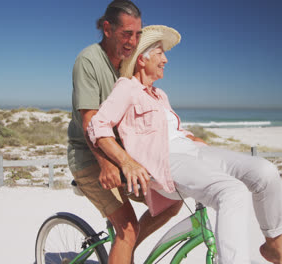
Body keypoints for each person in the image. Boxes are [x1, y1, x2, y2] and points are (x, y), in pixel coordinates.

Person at [87, 25, 282, 264]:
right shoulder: (127, 87)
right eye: (160, 52)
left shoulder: (160, 94)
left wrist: (192, 138)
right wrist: (126, 162)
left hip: (191, 150)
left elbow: (172, 130)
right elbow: (97, 126)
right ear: (142, 58)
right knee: (231, 192)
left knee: (265, 171)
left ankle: (273, 246)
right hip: (164, 160)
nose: (166, 59)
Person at [66, 1, 183, 263]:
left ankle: (126, 250)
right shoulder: (89, 61)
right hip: (90, 156)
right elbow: (89, 121)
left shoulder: (127, 64)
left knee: (171, 200)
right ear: (107, 29)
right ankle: (126, 242)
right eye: (126, 34)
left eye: (138, 34)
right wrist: (106, 163)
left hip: (122, 155)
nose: (132, 41)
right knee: (127, 227)